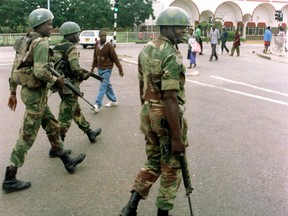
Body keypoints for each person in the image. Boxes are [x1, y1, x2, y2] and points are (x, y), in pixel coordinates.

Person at [2, 8, 85, 193]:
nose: (51, 27)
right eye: (49, 23)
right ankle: (10, 177)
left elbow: (15, 68)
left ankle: (64, 157)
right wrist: (58, 80)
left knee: (53, 126)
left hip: (29, 93)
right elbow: (40, 72)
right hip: (35, 96)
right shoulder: (40, 43)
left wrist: (13, 92)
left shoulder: (25, 40)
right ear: (39, 25)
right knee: (26, 136)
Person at [120, 6, 189, 216]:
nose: (183, 31)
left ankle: (130, 206)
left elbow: (142, 85)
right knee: (171, 167)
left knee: (153, 160)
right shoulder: (171, 54)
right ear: (167, 27)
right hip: (166, 116)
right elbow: (169, 97)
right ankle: (163, 213)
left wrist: (148, 112)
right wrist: (177, 138)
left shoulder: (147, 48)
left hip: (148, 112)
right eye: (180, 28)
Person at [53, 21, 101, 144]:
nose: (78, 36)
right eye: (76, 34)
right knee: (65, 116)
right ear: (69, 35)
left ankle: (89, 132)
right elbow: (75, 68)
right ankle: (57, 146)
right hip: (70, 86)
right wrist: (84, 75)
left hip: (60, 84)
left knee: (75, 110)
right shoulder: (71, 48)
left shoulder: (57, 47)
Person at [91, 29, 124, 112]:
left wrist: (120, 68)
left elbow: (115, 58)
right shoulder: (97, 44)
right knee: (107, 85)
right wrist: (92, 67)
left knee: (103, 86)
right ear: (99, 36)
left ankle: (97, 104)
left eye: (105, 36)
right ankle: (113, 100)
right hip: (100, 69)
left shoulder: (109, 46)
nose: (103, 37)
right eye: (102, 36)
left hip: (107, 69)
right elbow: (95, 56)